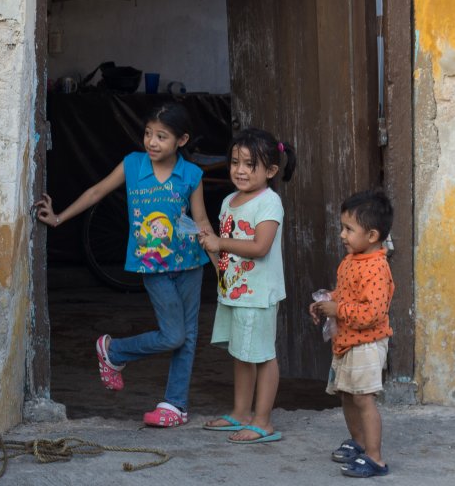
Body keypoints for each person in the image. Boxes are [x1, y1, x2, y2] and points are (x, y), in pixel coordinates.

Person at [35, 103, 212, 427]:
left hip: (190, 264)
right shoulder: (133, 165)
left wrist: (221, 264)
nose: (152, 142)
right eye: (148, 133)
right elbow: (96, 191)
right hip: (152, 266)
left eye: (162, 136)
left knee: (187, 337)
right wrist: (58, 218)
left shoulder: (191, 174)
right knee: (173, 335)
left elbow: (200, 220)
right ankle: (114, 351)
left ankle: (174, 405)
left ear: (181, 140)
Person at [198, 127, 296, 443]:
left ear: (270, 171)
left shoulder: (269, 202)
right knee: (241, 354)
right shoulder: (229, 200)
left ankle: (263, 421)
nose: (240, 170)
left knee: (263, 356)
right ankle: (240, 413)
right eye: (235, 162)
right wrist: (211, 247)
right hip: (234, 291)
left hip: (257, 294)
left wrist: (220, 242)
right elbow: (224, 250)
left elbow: (259, 247)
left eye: (249, 164)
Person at [309, 189, 394, 478]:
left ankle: (375, 457)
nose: (343, 235)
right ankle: (359, 442)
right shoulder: (351, 260)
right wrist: (326, 303)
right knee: (347, 394)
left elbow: (373, 313)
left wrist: (338, 309)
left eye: (349, 229)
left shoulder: (376, 268)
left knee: (364, 399)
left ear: (371, 235)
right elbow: (345, 295)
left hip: (367, 344)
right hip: (346, 341)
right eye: (342, 228)